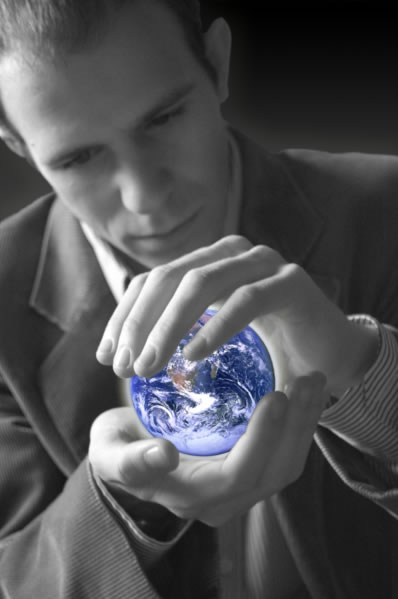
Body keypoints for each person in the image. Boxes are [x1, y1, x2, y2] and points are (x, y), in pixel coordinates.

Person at [0, 1, 397, 597]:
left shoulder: (386, 215)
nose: (143, 197)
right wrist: (121, 505)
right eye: (79, 157)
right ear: (16, 144)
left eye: (162, 118)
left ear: (217, 61)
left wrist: (367, 371)